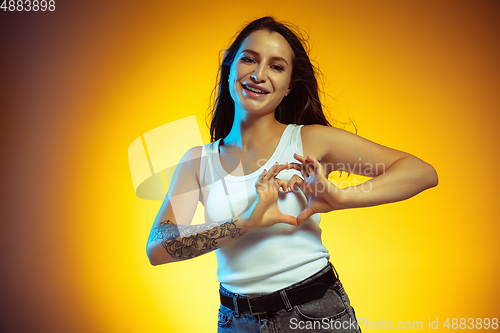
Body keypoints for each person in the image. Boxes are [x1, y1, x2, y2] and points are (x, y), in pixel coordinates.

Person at [146, 16, 438, 332]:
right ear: (230, 67)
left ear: (289, 87)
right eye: (249, 59)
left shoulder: (309, 141)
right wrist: (246, 222)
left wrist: (341, 197)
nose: (258, 74)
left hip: (313, 314)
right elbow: (159, 248)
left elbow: (421, 172)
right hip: (235, 321)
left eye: (276, 66)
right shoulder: (197, 162)